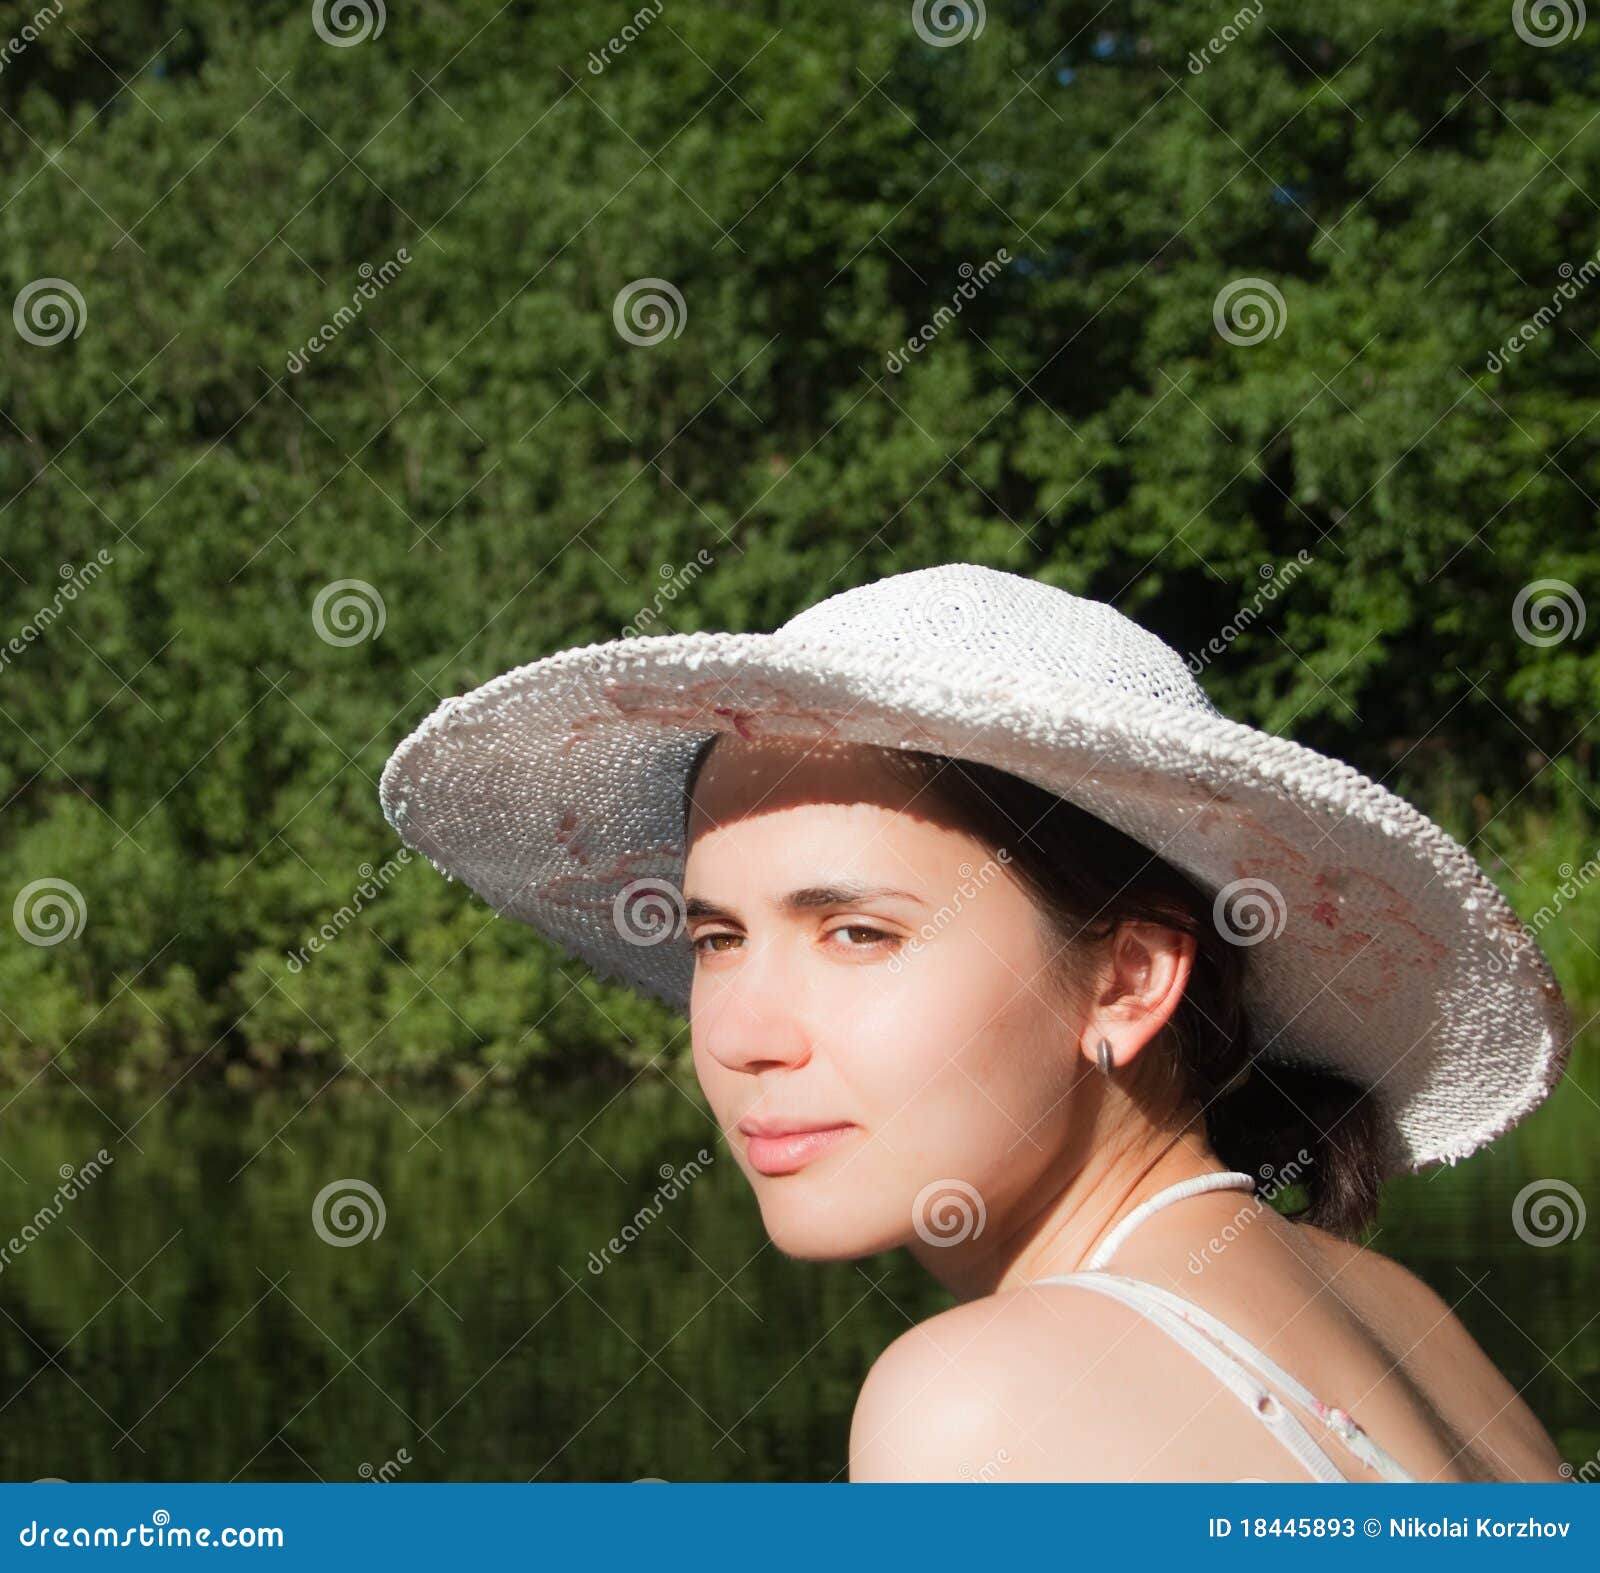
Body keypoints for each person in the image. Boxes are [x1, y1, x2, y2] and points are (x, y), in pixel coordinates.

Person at [379, 561, 1574, 1483]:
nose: (741, 1032)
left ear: (1127, 979)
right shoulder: (1393, 1312)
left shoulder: (981, 1402)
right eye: (716, 938)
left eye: (858, 932)